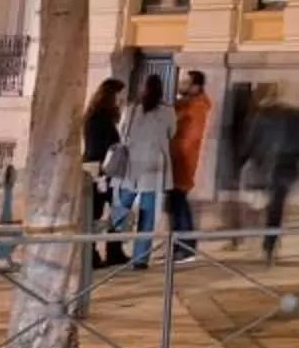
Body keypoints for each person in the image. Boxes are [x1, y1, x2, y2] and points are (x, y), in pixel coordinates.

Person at [243, 84, 299, 261]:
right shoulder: (297, 115)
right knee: (276, 206)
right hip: (286, 165)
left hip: (265, 164)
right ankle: (269, 242)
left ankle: (260, 240)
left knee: (261, 203)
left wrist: (246, 160)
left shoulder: (261, 115)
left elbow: (251, 142)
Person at [119, 76, 174, 268]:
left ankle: (112, 244)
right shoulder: (168, 111)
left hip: (132, 165)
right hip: (154, 166)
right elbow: (172, 133)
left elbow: (122, 132)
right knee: (148, 214)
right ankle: (140, 258)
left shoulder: (131, 109)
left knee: (121, 206)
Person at [82, 78, 127, 268]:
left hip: (99, 169)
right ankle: (92, 254)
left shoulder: (98, 116)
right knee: (98, 212)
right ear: (112, 96)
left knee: (112, 210)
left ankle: (111, 251)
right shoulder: (99, 119)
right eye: (120, 95)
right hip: (100, 170)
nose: (123, 100)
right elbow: (99, 148)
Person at [167, 69, 211, 258]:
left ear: (196, 87)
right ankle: (178, 246)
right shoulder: (187, 105)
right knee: (174, 205)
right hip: (177, 161)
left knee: (179, 204)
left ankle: (185, 248)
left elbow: (187, 139)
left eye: (186, 83)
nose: (181, 85)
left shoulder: (194, 107)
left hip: (182, 162)